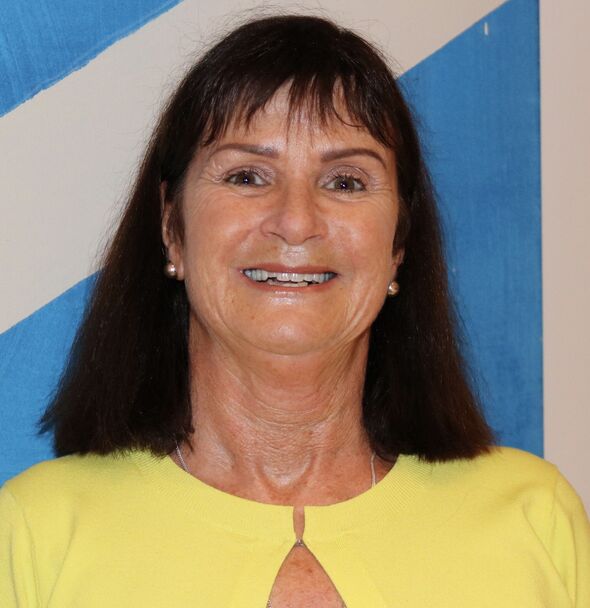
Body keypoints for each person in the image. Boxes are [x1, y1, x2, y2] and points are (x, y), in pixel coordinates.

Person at [1, 14, 589, 608]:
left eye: (346, 182)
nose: (296, 221)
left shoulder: (535, 522)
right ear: (172, 228)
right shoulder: (35, 535)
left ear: (398, 244)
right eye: (247, 176)